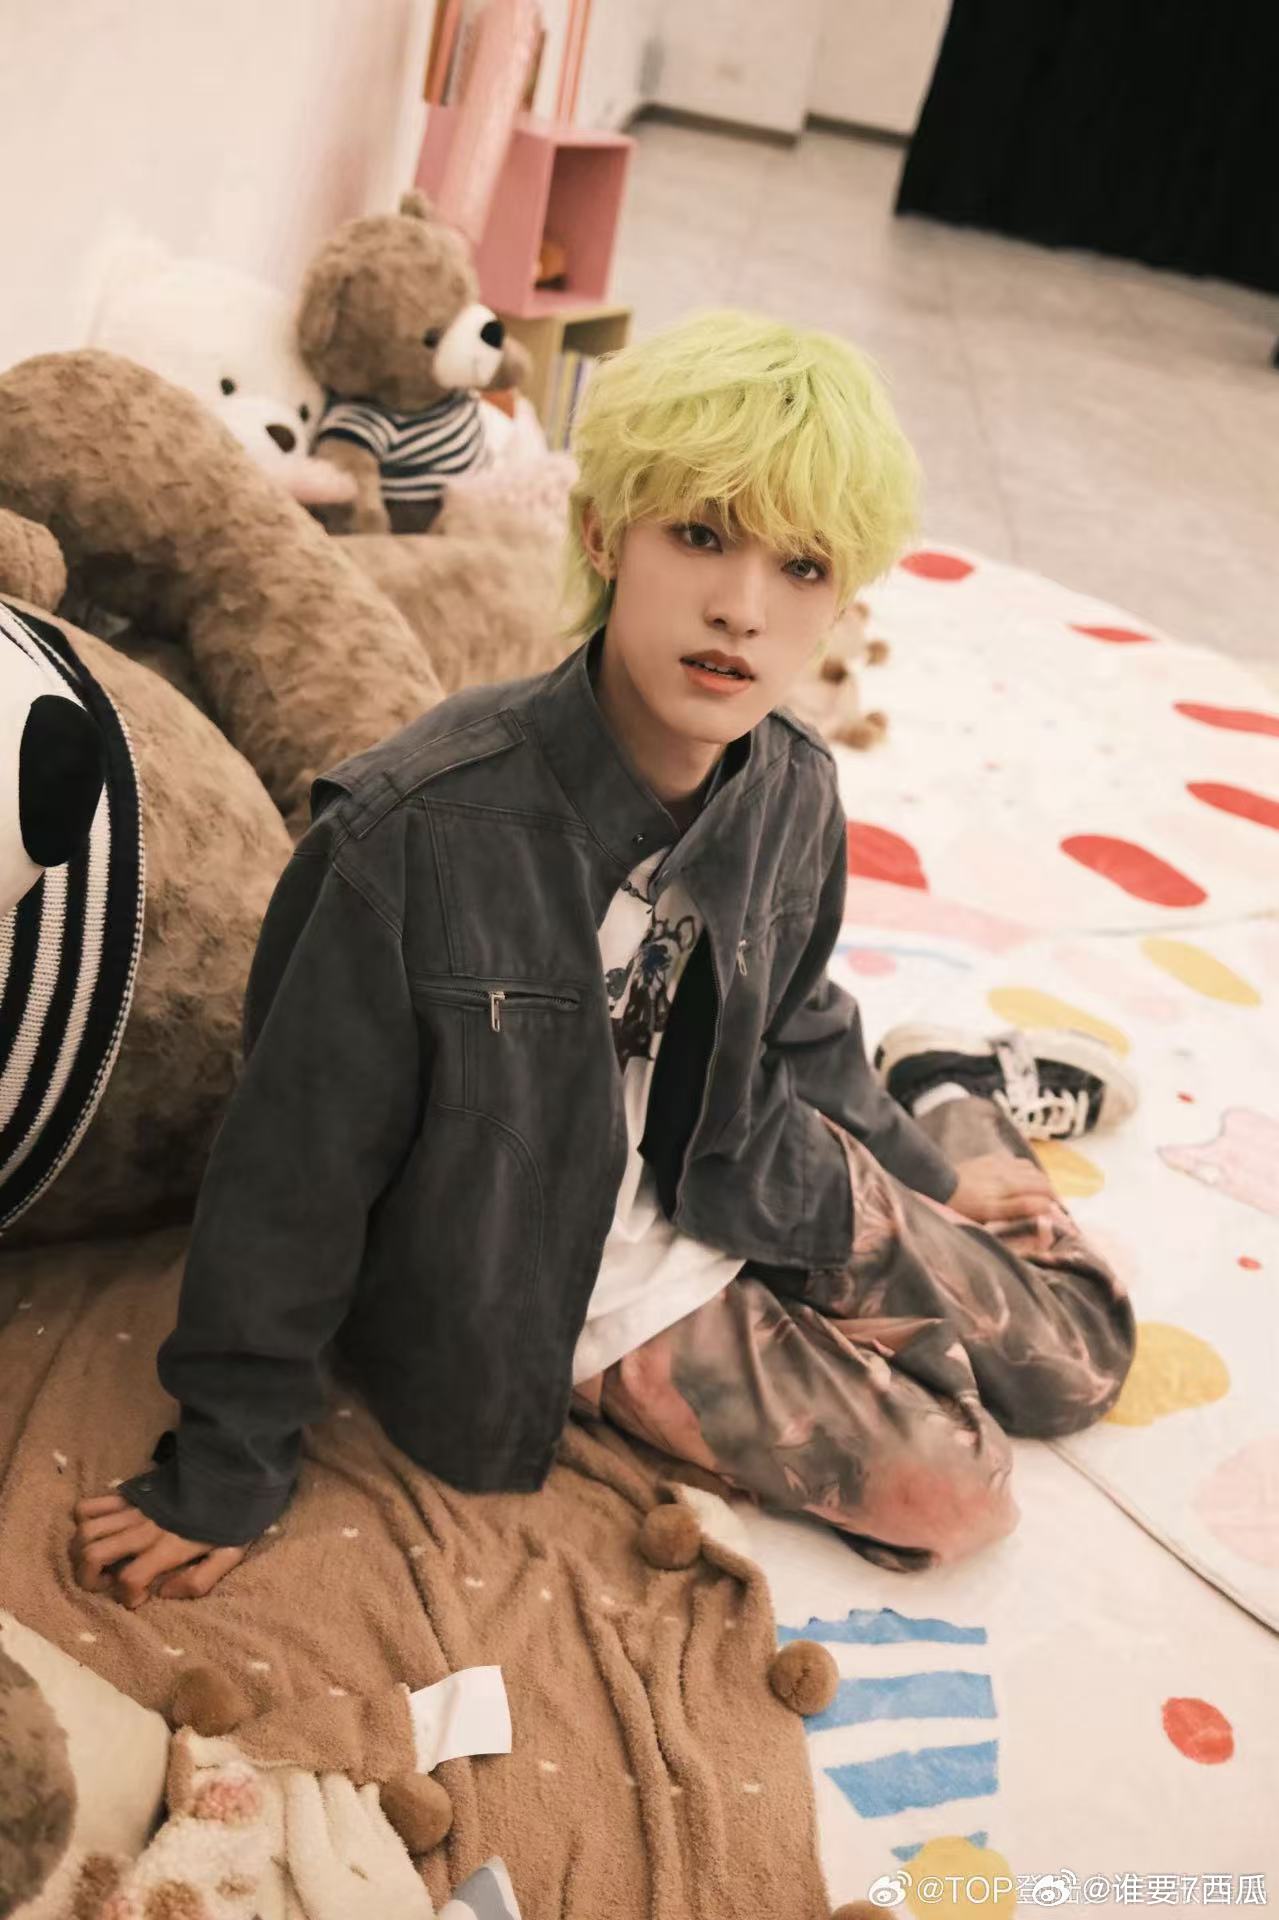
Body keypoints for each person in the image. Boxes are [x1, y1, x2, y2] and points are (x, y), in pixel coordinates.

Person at [71, 310, 1136, 1607]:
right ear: (602, 536)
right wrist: (228, 1463)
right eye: (700, 537)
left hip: (753, 1170)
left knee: (1078, 1358)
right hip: (574, 1287)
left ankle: (951, 1087)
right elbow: (292, 1172)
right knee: (957, 1490)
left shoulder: (792, 787)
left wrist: (924, 1172)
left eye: (801, 567)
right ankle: (913, 1169)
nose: (741, 608)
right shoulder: (410, 835)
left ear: (840, 601)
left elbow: (797, 1018)